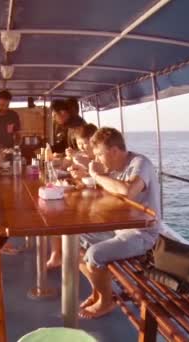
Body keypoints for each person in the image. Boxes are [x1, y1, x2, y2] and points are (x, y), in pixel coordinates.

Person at [78, 127, 161, 319]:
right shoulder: (114, 168)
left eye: (99, 155)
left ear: (114, 151)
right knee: (76, 243)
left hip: (143, 234)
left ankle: (106, 302)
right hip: (118, 229)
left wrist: (98, 176)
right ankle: (99, 292)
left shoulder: (140, 164)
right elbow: (109, 190)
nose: (97, 159)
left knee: (94, 254)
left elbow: (128, 191)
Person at [47, 123, 98, 269]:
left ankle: (69, 258)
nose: (82, 147)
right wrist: (72, 163)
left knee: (64, 219)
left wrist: (85, 172)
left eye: (85, 144)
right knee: (55, 216)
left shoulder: (100, 157)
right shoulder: (81, 155)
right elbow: (65, 167)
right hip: (85, 196)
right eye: (79, 144)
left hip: (95, 203)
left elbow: (102, 176)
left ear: (94, 141)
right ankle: (56, 255)